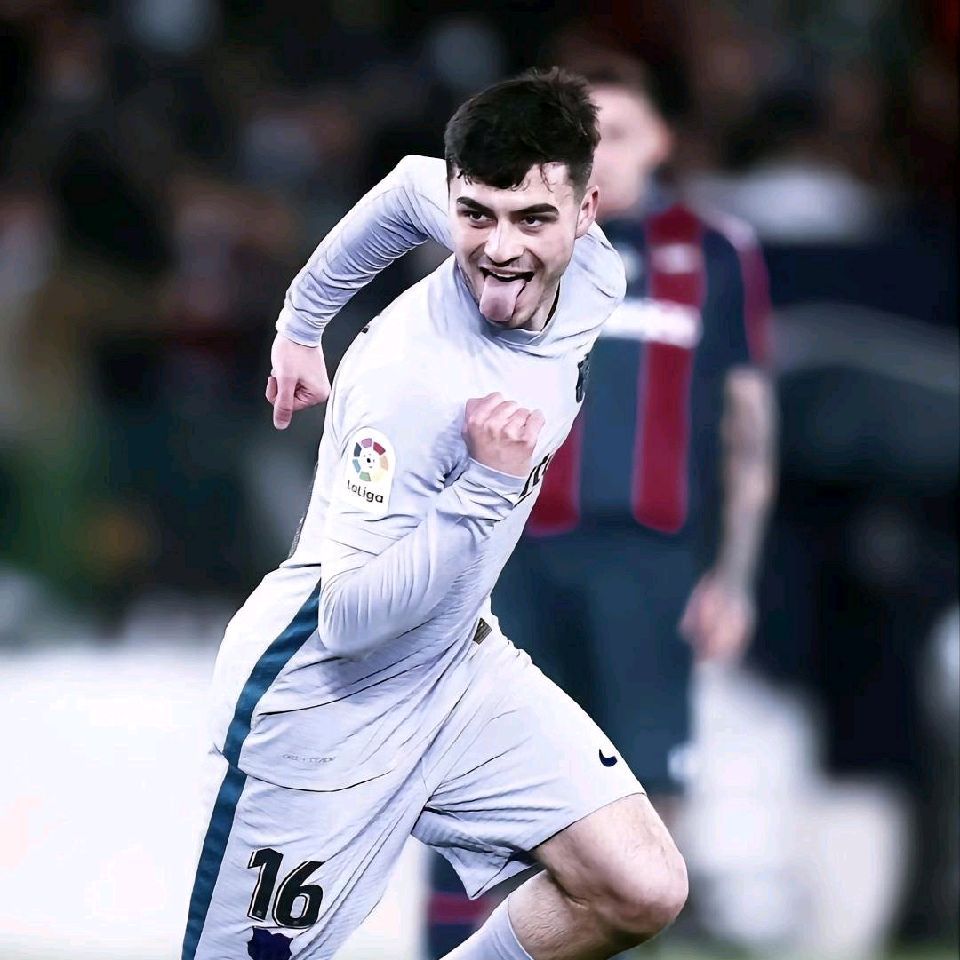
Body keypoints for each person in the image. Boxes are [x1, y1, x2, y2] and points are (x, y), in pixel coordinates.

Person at [181, 69, 688, 960]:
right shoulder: (409, 385)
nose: (499, 248)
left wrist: (301, 323)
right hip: (324, 702)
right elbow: (349, 617)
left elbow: (406, 185)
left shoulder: (595, 277)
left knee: (639, 884)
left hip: (455, 670)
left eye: (531, 219)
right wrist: (483, 489)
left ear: (587, 212)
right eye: (475, 216)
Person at [427, 52, 776, 957]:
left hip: (650, 558)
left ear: (660, 139)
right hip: (510, 555)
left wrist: (734, 578)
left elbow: (746, 428)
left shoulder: (714, 251)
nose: (598, 153)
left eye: (615, 133)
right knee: (478, 781)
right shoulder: (504, 245)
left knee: (646, 788)